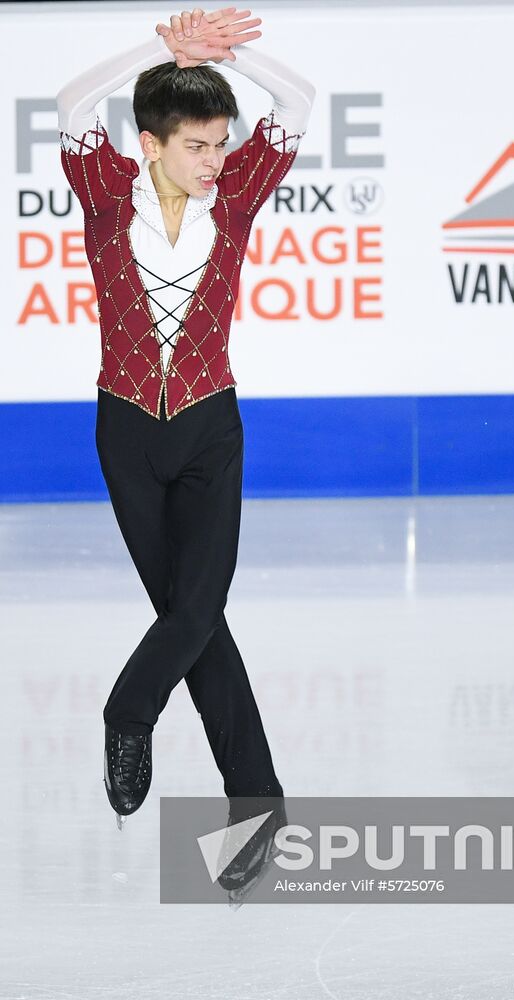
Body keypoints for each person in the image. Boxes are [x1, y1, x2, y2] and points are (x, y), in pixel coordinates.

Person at [56, 6, 316, 829]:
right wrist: (162, 52)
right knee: (192, 621)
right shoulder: (105, 196)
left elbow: (300, 103)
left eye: (221, 144)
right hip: (127, 431)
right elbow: (71, 105)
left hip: (211, 425)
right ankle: (259, 804)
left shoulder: (234, 200)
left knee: (198, 610)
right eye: (197, 145)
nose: (215, 161)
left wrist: (229, 54)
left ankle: (127, 715)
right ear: (152, 144)